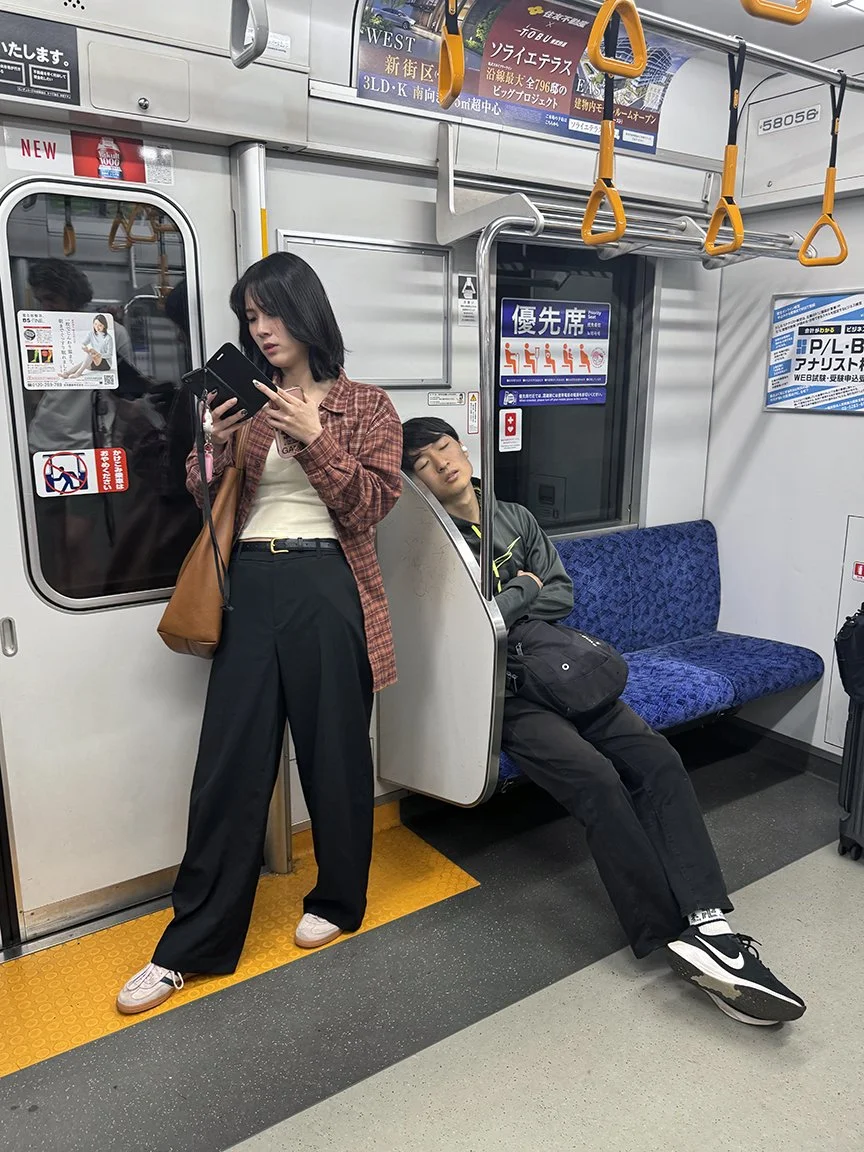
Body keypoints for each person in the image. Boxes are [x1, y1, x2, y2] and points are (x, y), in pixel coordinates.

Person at [401, 416, 806, 1028]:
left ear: (463, 447)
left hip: (563, 671)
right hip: (501, 695)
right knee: (595, 778)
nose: (441, 464)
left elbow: (560, 594)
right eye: (423, 464)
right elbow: (465, 628)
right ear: (417, 483)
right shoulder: (431, 550)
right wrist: (520, 592)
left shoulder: (514, 518)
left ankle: (709, 923)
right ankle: (672, 937)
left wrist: (507, 603)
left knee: (657, 759)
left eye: (444, 448)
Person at [116, 252, 403, 1015]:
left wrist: (314, 436)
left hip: (327, 583)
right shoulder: (248, 404)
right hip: (248, 580)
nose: (261, 328)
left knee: (335, 754)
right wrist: (211, 444)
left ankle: (338, 900)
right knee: (228, 764)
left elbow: (372, 506)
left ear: (306, 313)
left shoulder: (366, 405)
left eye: (271, 312)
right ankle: (191, 944)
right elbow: (202, 494)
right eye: (250, 317)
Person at [59, 313, 114, 377]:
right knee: (84, 362)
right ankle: (67, 373)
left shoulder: (108, 338)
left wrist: (98, 355)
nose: (97, 327)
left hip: (105, 363)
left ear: (104, 326)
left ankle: (78, 373)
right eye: (95, 324)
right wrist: (85, 348)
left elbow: (109, 354)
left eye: (100, 325)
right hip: (94, 359)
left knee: (89, 356)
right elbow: (83, 343)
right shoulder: (91, 334)